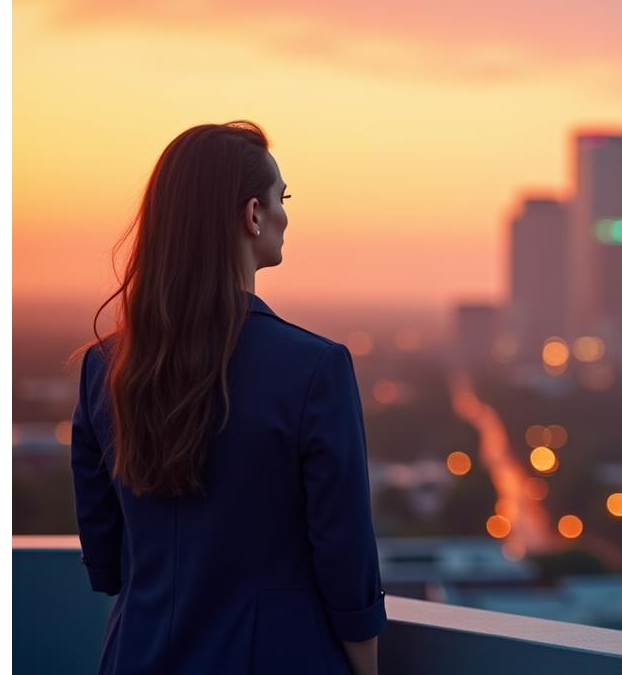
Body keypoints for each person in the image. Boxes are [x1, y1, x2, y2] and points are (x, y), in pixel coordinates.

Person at [69, 121, 385, 674]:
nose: (287, 215)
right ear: (253, 214)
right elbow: (346, 557)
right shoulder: (316, 369)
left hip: (135, 655)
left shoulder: (105, 367)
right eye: (281, 197)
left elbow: (106, 561)